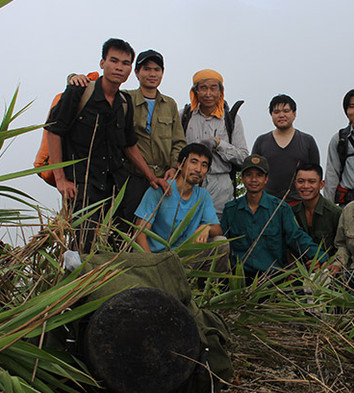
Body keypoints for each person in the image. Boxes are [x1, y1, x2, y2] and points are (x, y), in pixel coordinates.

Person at [45, 38, 157, 252]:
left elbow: (129, 145)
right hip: (83, 186)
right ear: (102, 62)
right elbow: (53, 131)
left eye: (125, 63)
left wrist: (152, 177)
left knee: (116, 244)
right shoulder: (79, 91)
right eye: (113, 61)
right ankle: (78, 283)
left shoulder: (125, 102)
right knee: (83, 245)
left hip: (114, 187)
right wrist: (61, 179)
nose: (119, 67)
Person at [68, 49, 187, 187]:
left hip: (164, 179)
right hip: (131, 176)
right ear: (136, 72)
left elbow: (178, 141)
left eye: (157, 69)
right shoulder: (124, 99)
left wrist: (174, 168)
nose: (152, 74)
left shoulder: (170, 104)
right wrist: (73, 77)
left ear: (162, 72)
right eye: (146, 69)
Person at [221, 155, 327, 276]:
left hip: (272, 280)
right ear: (243, 178)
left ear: (266, 179)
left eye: (259, 175)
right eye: (249, 174)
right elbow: (222, 245)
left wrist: (320, 256)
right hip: (239, 278)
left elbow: (296, 237)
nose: (254, 179)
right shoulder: (231, 210)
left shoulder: (280, 208)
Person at [134, 143, 229, 273]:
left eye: (204, 165)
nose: (198, 169)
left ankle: (207, 291)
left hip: (184, 260)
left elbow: (218, 230)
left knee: (220, 243)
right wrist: (153, 267)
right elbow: (139, 234)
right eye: (194, 162)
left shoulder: (203, 196)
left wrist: (207, 227)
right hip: (155, 258)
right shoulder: (160, 190)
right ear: (180, 164)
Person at [181, 69, 248, 217]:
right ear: (195, 91)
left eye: (213, 88)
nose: (208, 93)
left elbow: (243, 158)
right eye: (203, 88)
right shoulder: (185, 116)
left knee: (218, 232)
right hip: (189, 184)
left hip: (221, 186)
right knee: (186, 229)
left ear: (220, 91)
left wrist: (219, 144)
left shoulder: (231, 119)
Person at [252, 94, 319, 203]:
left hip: (300, 203)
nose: (281, 115)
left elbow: (315, 174)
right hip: (267, 203)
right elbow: (254, 172)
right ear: (271, 115)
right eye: (276, 112)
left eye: (286, 111)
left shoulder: (307, 141)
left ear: (294, 114)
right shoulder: (261, 141)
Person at [290, 163, 341, 254]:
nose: (305, 186)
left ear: (321, 184)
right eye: (301, 181)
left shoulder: (335, 213)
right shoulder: (291, 213)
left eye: (312, 181)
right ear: (295, 183)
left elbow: (343, 248)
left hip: (329, 265)